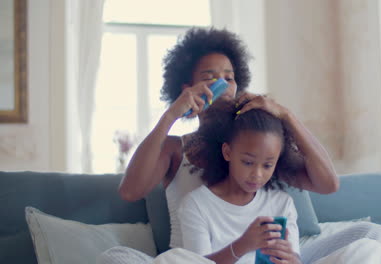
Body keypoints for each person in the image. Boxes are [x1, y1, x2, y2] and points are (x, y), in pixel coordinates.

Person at [118, 27, 339, 251]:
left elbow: (329, 184)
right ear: (187, 89)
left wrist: (286, 115)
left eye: (229, 78)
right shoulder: (175, 148)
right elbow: (130, 191)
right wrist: (171, 115)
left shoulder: (252, 148)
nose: (222, 84)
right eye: (209, 77)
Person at [178, 98, 303, 264]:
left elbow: (295, 259)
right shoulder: (196, 204)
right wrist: (242, 245)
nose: (257, 175)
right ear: (228, 152)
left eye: (267, 165)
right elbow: (197, 262)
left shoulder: (282, 203)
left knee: (349, 250)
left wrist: (292, 260)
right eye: (248, 162)